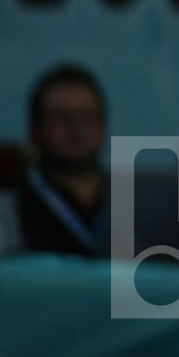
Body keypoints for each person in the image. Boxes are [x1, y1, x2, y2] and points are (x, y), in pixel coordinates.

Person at [16, 62, 110, 257]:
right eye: (60, 117)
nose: (76, 129)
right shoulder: (11, 207)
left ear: (103, 127)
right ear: (34, 129)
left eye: (87, 117)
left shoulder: (134, 204)